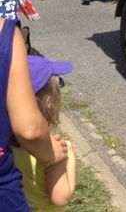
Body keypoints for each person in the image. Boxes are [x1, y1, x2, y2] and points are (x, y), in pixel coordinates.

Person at [0, 18, 68, 210]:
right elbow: (60, 197)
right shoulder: (5, 33)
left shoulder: (13, 149)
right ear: (47, 102)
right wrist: (54, 159)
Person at [11, 55, 77, 211]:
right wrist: (68, 159)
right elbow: (60, 197)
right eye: (59, 83)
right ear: (47, 102)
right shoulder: (51, 149)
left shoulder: (4, 145)